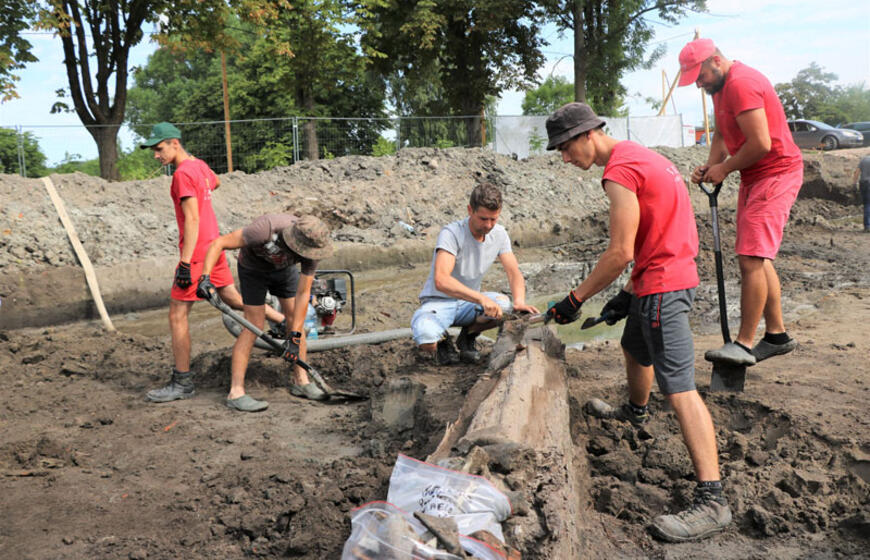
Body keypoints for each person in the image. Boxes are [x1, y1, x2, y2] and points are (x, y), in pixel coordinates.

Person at [545, 102, 731, 542]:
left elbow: (620, 252)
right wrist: (626, 295)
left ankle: (713, 499)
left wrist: (575, 300)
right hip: (663, 277)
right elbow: (659, 231)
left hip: (665, 287)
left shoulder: (618, 173)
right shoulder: (643, 156)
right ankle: (635, 411)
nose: (565, 159)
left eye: (566, 148)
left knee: (681, 389)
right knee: (633, 344)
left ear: (588, 134)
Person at [678, 38, 803, 366]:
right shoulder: (720, 90)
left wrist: (724, 168)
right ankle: (776, 335)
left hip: (775, 174)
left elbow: (761, 143)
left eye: (699, 76)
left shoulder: (742, 84)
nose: (698, 84)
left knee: (750, 258)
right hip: (755, 176)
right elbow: (722, 134)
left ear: (715, 61)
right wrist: (710, 165)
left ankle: (743, 344)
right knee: (758, 258)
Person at [141, 122, 284, 403]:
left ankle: (182, 381)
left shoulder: (182, 174)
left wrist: (184, 263)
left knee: (177, 315)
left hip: (195, 254)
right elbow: (215, 182)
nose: (156, 155)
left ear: (174, 143)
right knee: (231, 298)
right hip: (214, 246)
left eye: (159, 149)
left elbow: (192, 218)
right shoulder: (199, 166)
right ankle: (281, 320)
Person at [196, 214, 333, 411]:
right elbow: (219, 243)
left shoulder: (313, 250)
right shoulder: (264, 230)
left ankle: (301, 381)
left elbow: (303, 293)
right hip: (253, 270)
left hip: (285, 272)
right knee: (253, 326)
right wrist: (205, 278)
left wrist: (294, 335)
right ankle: (236, 392)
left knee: (296, 321)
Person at [411, 182, 538, 365]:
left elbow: (513, 272)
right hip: (439, 302)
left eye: (493, 219)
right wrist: (480, 299)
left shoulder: (500, 234)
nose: (488, 225)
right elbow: (441, 280)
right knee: (425, 336)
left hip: (468, 304)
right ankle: (442, 343)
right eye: (483, 218)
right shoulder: (452, 233)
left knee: (506, 306)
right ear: (470, 210)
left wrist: (519, 301)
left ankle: (467, 337)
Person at [852, 155, 870, 232]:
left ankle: (867, 226)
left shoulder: (864, 160)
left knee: (867, 204)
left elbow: (857, 172)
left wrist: (854, 184)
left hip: (864, 184)